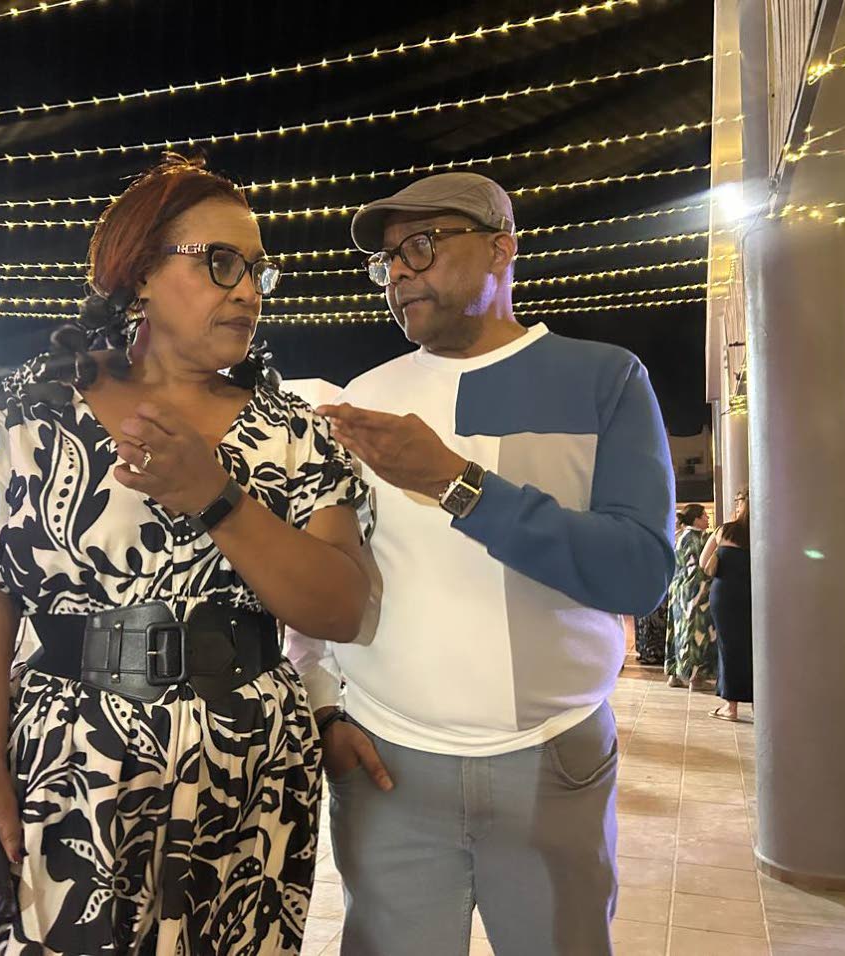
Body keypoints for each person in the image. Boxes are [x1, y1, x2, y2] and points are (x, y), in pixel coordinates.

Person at [0, 155, 372, 954]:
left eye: (257, 271)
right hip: (69, 758)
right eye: (220, 263)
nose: (247, 291)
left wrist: (217, 496)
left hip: (243, 773)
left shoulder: (294, 432)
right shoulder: (33, 410)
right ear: (140, 272)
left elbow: (341, 609)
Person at [287, 172, 676, 956]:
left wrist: (457, 485)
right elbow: (328, 570)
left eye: (420, 246)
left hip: (552, 760)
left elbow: (638, 573)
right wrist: (324, 707)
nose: (397, 274)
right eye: (385, 261)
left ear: (501, 249)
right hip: (386, 765)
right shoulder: (367, 395)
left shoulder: (602, 378)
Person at [701, 490, 752, 721]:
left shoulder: (724, 530)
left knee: (728, 647)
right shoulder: (762, 530)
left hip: (725, 594)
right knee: (754, 646)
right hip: (754, 594)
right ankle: (758, 703)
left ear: (741, 503)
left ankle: (731, 706)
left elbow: (704, 562)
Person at [666, 503, 716, 689]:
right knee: (696, 633)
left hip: (677, 589)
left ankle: (674, 675)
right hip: (697, 591)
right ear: (696, 519)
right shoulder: (702, 538)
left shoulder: (679, 537)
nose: (707, 518)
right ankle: (696, 678)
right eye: (704, 516)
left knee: (676, 630)